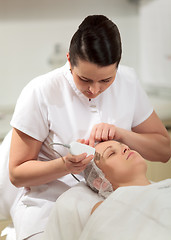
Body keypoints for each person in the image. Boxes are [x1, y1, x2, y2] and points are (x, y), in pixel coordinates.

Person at [0, 14, 170, 240]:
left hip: (115, 200)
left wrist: (122, 135)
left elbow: (164, 150)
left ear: (118, 66)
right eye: (85, 80)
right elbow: (17, 174)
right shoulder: (41, 92)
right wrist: (65, 165)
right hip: (50, 206)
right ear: (69, 60)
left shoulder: (128, 82)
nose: (95, 90)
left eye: (106, 80)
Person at [42, 140, 171, 240]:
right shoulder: (108, 207)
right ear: (100, 182)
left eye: (123, 145)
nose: (126, 148)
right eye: (111, 153)